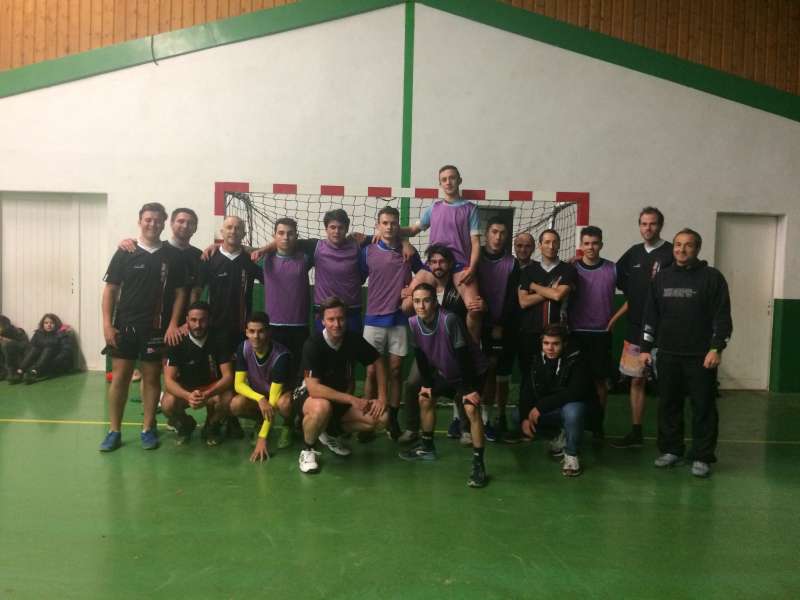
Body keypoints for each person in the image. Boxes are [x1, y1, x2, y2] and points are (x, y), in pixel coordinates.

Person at [639, 228, 732, 478]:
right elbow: (651, 316)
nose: (681, 249)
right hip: (667, 355)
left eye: (688, 245)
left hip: (701, 357)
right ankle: (672, 450)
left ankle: (702, 456)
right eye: (678, 244)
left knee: (703, 407)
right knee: (668, 405)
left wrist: (716, 348)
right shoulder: (662, 278)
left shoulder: (712, 278)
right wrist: (646, 348)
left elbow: (722, 317)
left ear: (697, 248)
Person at [99, 202, 188, 452]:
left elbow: (180, 293)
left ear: (164, 223)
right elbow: (110, 290)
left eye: (157, 220)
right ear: (140, 221)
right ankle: (114, 431)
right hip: (125, 327)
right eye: (148, 219)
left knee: (151, 378)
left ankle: (148, 428)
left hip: (156, 329)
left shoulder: (172, 255)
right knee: (120, 379)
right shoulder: (125, 251)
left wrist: (173, 323)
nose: (152, 224)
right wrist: (107, 325)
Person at [401, 283, 489, 488]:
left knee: (470, 408)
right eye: (416, 301)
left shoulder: (450, 320)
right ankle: (427, 448)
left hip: (472, 372)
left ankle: (479, 463)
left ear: (435, 302)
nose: (421, 306)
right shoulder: (413, 323)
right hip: (449, 373)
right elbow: (420, 355)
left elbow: (464, 356)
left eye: (426, 300)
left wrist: (468, 390)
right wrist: (426, 384)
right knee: (425, 398)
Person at [399, 244, 486, 445]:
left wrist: (483, 306)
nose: (438, 266)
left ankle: (465, 429)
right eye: (433, 262)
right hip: (429, 347)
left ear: (450, 263)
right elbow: (407, 308)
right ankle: (412, 428)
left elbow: (475, 309)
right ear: (428, 264)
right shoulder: (423, 287)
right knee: (412, 384)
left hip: (453, 348)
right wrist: (407, 295)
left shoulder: (460, 284)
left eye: (442, 262)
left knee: (461, 385)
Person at [296, 297, 389, 474]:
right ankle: (307, 450)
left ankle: (330, 433)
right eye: (331, 319)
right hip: (310, 397)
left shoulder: (353, 340)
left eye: (340, 319)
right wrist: (352, 399)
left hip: (340, 399)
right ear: (322, 321)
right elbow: (314, 389)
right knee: (322, 407)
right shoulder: (313, 345)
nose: (337, 324)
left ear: (346, 319)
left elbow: (378, 361)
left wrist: (382, 398)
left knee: (381, 417)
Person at [610, 207, 674, 449]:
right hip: (636, 329)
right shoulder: (634, 253)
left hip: (665, 331)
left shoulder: (670, 253)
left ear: (660, 225)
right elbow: (613, 273)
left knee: (667, 384)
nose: (648, 228)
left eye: (653, 223)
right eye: (644, 224)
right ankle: (636, 432)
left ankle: (669, 436)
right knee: (636, 381)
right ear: (639, 226)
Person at [194, 216, 262, 439]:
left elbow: (269, 275)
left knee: (235, 379)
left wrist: (259, 249)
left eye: (238, 228)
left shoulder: (249, 260)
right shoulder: (209, 258)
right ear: (221, 232)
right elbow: (197, 290)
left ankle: (231, 419)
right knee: (214, 378)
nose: (233, 231)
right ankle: (211, 420)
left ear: (244, 233)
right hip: (214, 331)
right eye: (229, 227)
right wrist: (190, 318)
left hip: (242, 332)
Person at [360, 206, 423, 440]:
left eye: (393, 223)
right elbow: (356, 276)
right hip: (373, 318)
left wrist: (412, 291)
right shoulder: (367, 251)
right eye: (385, 223)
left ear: (398, 226)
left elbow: (425, 274)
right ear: (378, 225)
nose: (389, 227)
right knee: (370, 371)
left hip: (399, 318)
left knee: (396, 371)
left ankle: (392, 419)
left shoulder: (409, 252)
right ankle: (367, 421)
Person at [402, 165, 484, 342]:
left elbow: (476, 243)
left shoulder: (471, 209)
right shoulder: (434, 208)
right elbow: (412, 230)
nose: (448, 182)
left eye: (452, 178)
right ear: (440, 183)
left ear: (459, 180)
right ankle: (428, 339)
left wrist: (472, 268)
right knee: (407, 304)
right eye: (444, 179)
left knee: (475, 309)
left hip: (460, 265)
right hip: (434, 264)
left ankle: (473, 350)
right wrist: (391, 232)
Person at [259, 217, 314, 448]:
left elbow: (329, 242)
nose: (285, 237)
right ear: (274, 236)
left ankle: (290, 423)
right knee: (270, 380)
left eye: (290, 233)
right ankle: (264, 422)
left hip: (299, 329)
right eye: (281, 233)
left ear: (296, 236)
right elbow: (237, 249)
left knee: (295, 382)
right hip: (273, 330)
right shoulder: (265, 259)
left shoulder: (305, 257)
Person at [519, 324, 594, 477]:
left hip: (575, 409)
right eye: (546, 343)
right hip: (552, 409)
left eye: (555, 344)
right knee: (517, 416)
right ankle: (560, 434)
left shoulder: (577, 359)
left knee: (572, 411)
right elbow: (527, 390)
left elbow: (575, 392)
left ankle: (571, 455)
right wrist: (525, 417)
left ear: (564, 344)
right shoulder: (536, 359)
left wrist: (540, 407)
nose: (550, 348)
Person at [517, 229, 577, 414]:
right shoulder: (528, 271)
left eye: (554, 242)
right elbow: (523, 301)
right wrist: (549, 290)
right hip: (530, 333)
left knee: (558, 378)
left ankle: (555, 419)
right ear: (540, 246)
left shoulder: (568, 270)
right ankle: (525, 418)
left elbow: (558, 296)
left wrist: (534, 287)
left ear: (559, 245)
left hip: (557, 334)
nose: (551, 246)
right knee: (528, 377)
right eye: (547, 242)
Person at [568, 226, 617, 437]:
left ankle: (597, 426)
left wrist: (614, 319)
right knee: (575, 382)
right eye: (586, 243)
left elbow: (635, 295)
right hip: (575, 333)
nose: (590, 247)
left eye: (595, 243)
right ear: (581, 245)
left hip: (601, 335)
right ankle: (573, 424)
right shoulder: (571, 268)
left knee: (599, 382)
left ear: (601, 245)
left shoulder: (613, 269)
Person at [162, 301, 234, 446]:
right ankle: (186, 424)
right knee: (167, 404)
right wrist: (188, 396)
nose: (198, 325)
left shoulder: (220, 338)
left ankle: (212, 426)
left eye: (202, 320)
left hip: (212, 389)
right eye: (193, 320)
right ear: (187, 320)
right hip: (187, 390)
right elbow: (168, 381)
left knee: (228, 399)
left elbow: (228, 377)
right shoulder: (177, 341)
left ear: (209, 320)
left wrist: (207, 394)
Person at [477, 217, 520, 442]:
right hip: (476, 325)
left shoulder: (512, 263)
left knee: (498, 372)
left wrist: (499, 325)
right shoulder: (475, 258)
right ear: (487, 233)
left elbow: (512, 298)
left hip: (500, 326)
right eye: (494, 232)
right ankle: (468, 419)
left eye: (502, 233)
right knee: (477, 371)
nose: (498, 236)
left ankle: (494, 417)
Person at [229, 312, 293, 463]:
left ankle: (289, 424)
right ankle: (260, 420)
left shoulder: (281, 356)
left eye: (261, 331)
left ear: (269, 332)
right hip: (262, 395)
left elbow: (273, 400)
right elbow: (238, 385)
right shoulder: (243, 348)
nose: (256, 336)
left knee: (284, 405)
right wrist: (259, 399)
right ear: (246, 332)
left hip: (281, 395)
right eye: (251, 331)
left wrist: (262, 437)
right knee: (236, 405)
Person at [8, 313, 76, 384]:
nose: (49, 325)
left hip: (55, 363)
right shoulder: (39, 333)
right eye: (46, 323)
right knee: (35, 348)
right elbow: (30, 348)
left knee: (48, 348)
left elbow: (66, 351)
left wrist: (54, 361)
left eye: (52, 323)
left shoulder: (61, 334)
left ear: (56, 324)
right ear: (42, 324)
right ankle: (20, 371)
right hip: (40, 362)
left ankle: (34, 372)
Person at [0, 315, 30, 382]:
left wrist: (6, 340)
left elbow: (25, 345)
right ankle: (3, 372)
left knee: (6, 345)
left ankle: (11, 373)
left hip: (18, 352)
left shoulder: (15, 331)